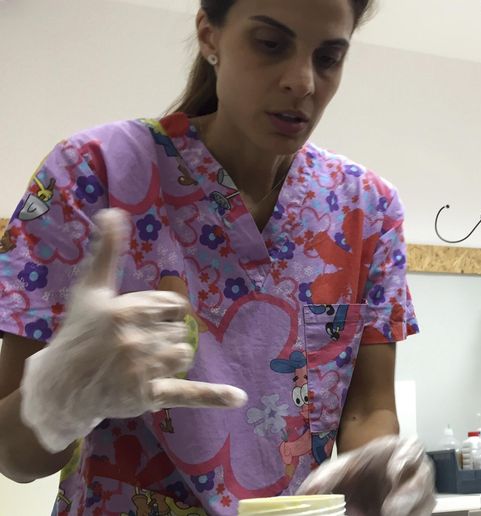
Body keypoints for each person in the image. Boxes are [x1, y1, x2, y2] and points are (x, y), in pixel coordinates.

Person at [0, 1, 434, 515]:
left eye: (328, 58)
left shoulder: (367, 208)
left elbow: (369, 407)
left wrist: (386, 472)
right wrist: (62, 398)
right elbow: (16, 459)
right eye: (270, 44)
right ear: (210, 35)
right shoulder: (94, 173)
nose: (302, 82)